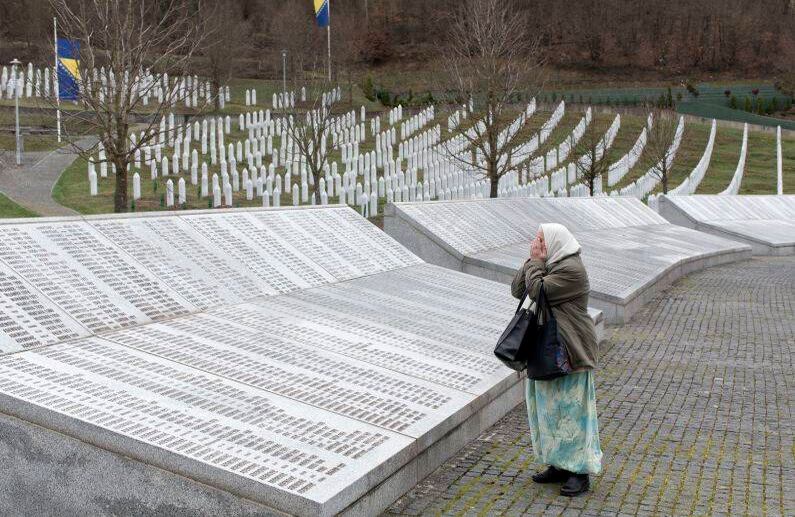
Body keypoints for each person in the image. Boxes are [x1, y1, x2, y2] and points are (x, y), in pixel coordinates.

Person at [510, 223, 602, 497]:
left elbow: (538, 290)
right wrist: (531, 260)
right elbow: (518, 290)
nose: (537, 244)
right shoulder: (548, 264)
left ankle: (580, 472)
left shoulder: (572, 270)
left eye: (542, 240)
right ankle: (559, 464)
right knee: (549, 410)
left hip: (570, 350)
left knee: (573, 412)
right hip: (547, 349)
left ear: (555, 242)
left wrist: (536, 263)